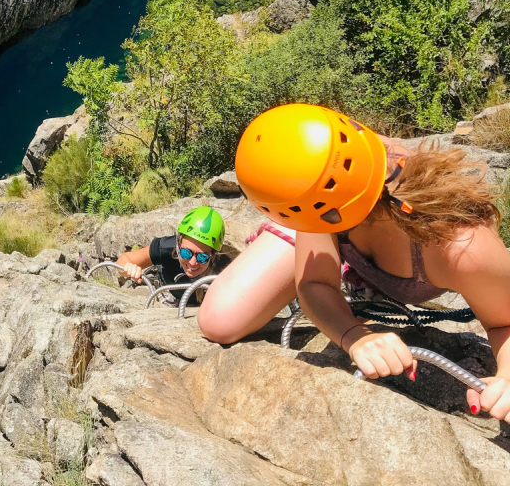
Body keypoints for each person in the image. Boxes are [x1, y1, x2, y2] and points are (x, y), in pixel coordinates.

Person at [215, 103, 510, 422]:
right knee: (221, 321)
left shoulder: (461, 245)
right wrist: (354, 335)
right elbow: (314, 284)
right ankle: (306, 240)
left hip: (320, 206)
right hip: (313, 204)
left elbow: (505, 320)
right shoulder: (326, 176)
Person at [117, 206, 229, 304]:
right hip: (175, 300)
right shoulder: (165, 248)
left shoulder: (226, 268)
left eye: (202, 257)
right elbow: (124, 259)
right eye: (186, 253)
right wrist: (128, 269)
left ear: (213, 256)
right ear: (179, 245)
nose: (192, 262)